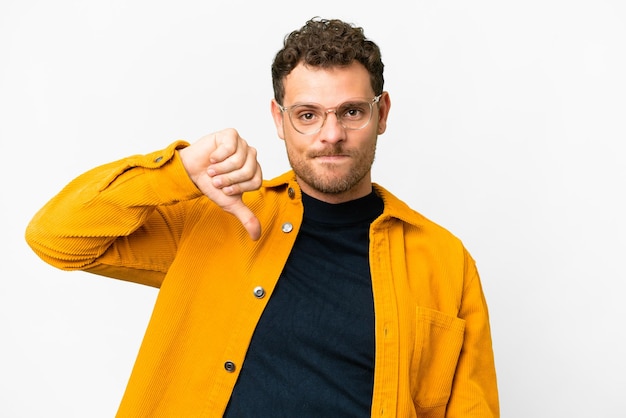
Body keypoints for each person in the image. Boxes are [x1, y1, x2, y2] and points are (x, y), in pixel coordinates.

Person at [25, 17, 499, 418]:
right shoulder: (212, 219)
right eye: (308, 115)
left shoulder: (445, 262)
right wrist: (181, 169)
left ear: (383, 112)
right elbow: (55, 237)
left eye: (352, 111)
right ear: (278, 119)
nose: (331, 135)